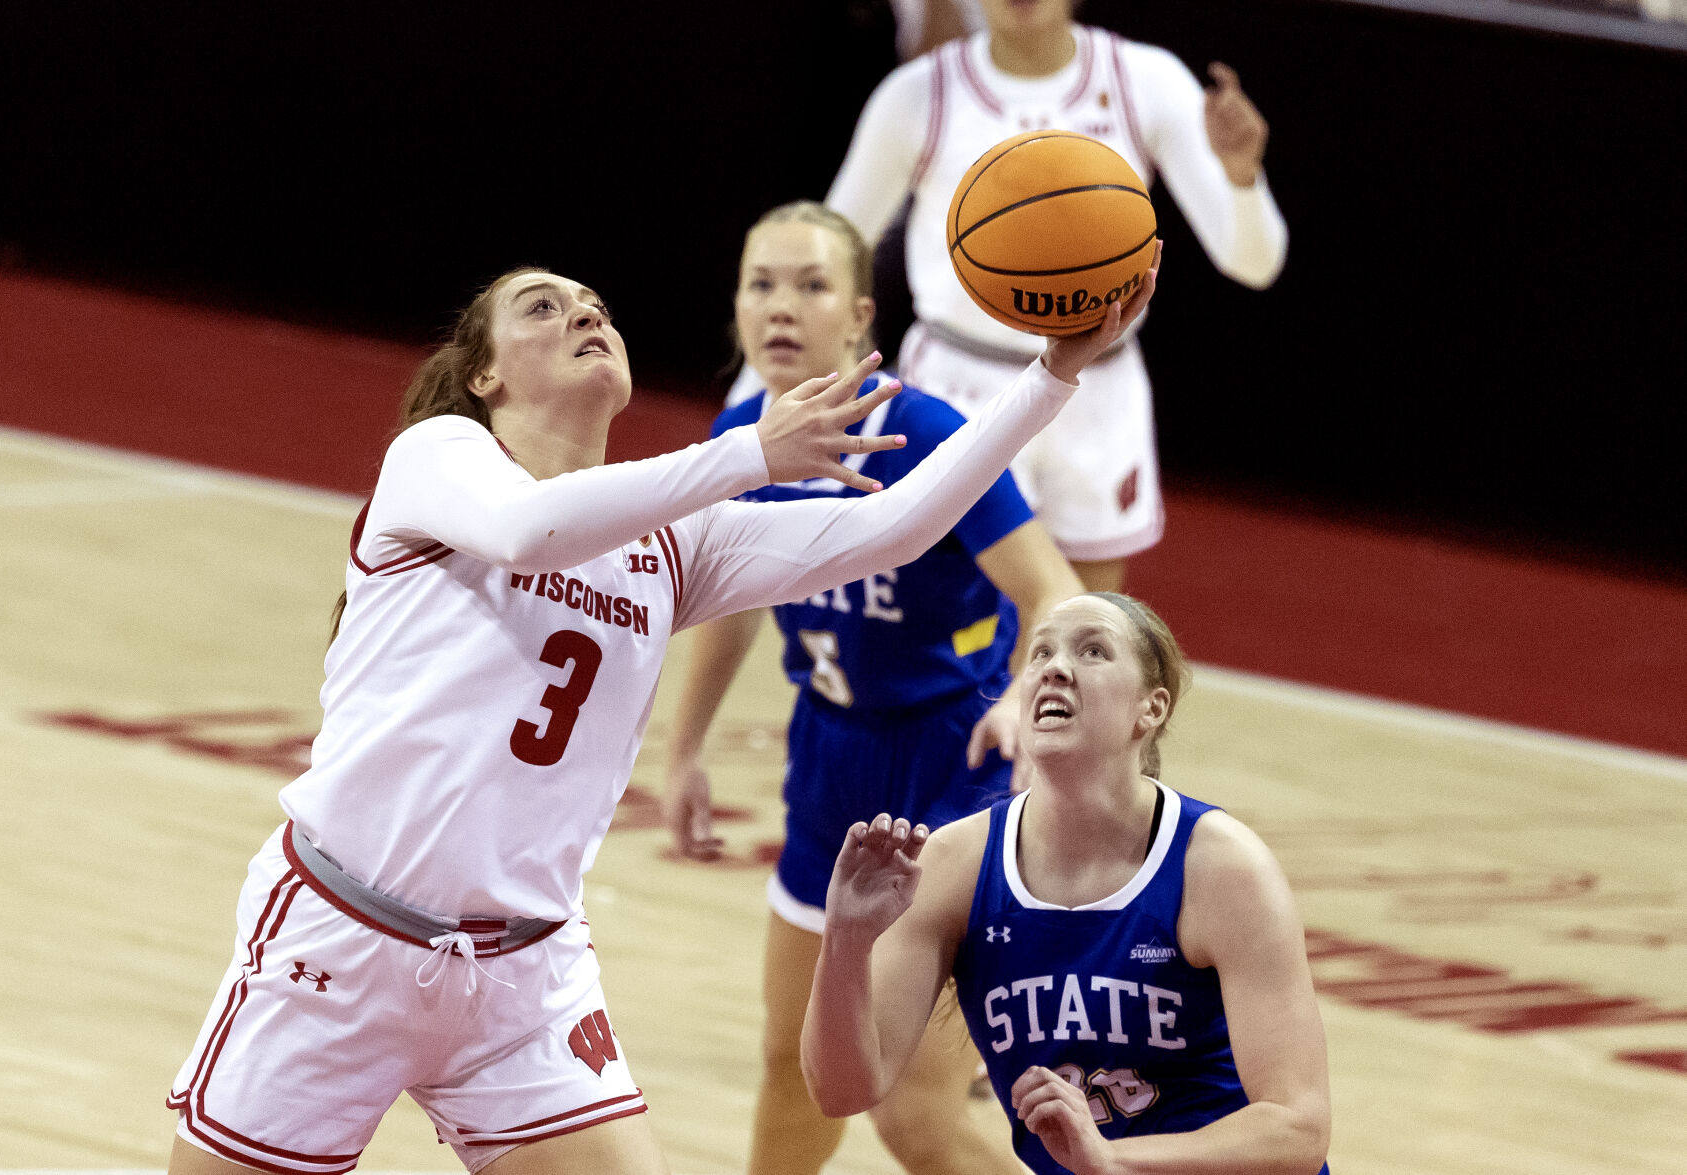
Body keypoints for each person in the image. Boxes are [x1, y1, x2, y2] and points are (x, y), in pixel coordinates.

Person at [163, 259, 1157, 1175]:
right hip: (343, 942)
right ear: (483, 377)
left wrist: (1049, 377)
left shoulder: (670, 541)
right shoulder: (439, 454)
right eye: (541, 308)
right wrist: (744, 454)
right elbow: (529, 529)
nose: (582, 313)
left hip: (522, 976)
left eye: (592, 303)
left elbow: (887, 526)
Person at [662, 201, 1086, 1175]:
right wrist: (684, 750)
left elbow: (1052, 589)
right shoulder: (741, 443)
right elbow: (729, 601)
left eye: (809, 285)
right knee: (792, 1063)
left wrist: (1025, 692)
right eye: (760, 283)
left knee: (911, 1111)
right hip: (829, 763)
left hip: (952, 770)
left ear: (858, 316)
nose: (781, 306)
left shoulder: (925, 430)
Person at [800, 592, 1332, 1175]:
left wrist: (1112, 1160)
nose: (1055, 667)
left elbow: (1297, 1128)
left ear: (1150, 710)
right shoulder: (957, 863)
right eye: (1041, 652)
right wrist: (845, 942)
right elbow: (844, 1091)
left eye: (1093, 651)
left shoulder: (1222, 868)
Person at [783, 0, 1289, 595]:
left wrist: (1241, 177)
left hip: (1100, 386)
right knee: (954, 625)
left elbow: (1253, 264)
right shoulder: (919, 94)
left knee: (1089, 628)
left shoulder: (1145, 80)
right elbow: (831, 254)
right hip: (958, 386)